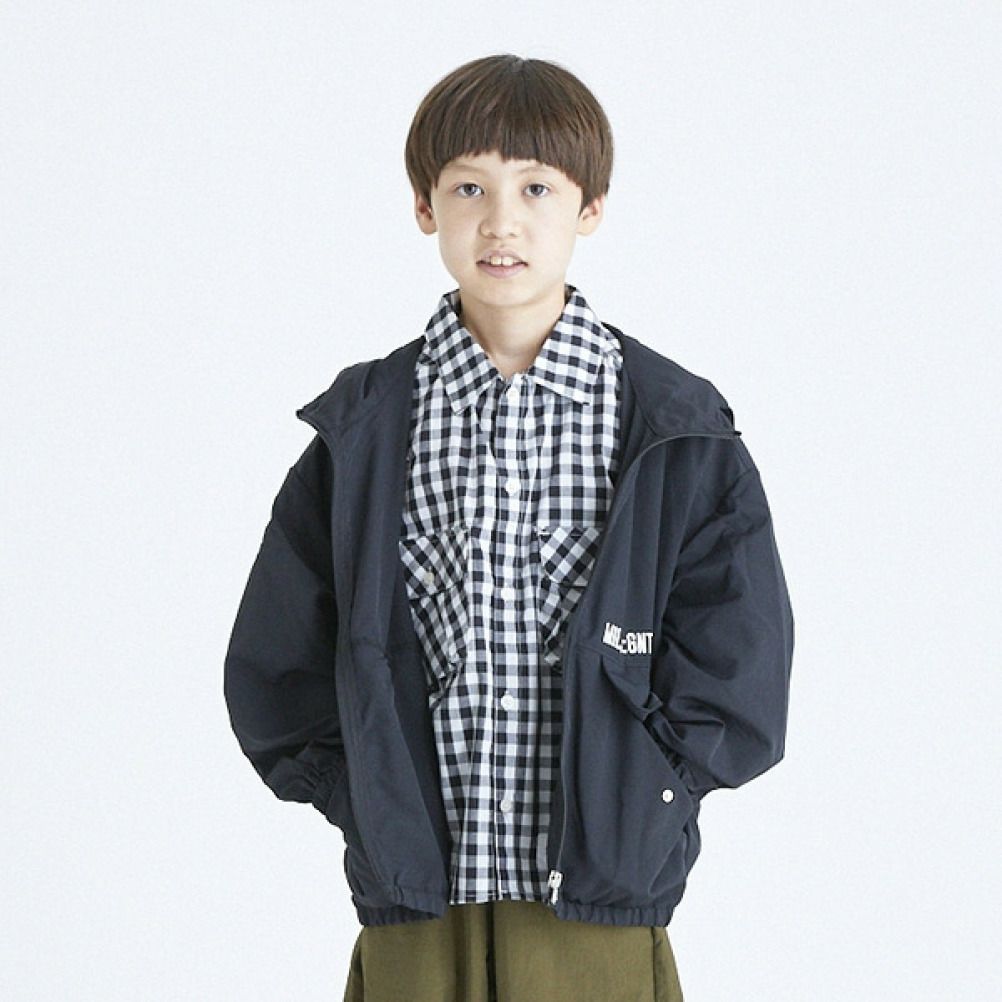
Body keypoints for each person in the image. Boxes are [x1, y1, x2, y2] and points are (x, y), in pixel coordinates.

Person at [223, 53, 795, 1002]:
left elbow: (740, 663)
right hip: (418, 902)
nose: (502, 221)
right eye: (469, 188)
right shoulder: (367, 428)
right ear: (424, 206)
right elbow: (278, 664)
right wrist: (362, 799)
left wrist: (650, 796)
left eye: (537, 188)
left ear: (590, 207)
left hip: (599, 909)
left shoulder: (674, 427)